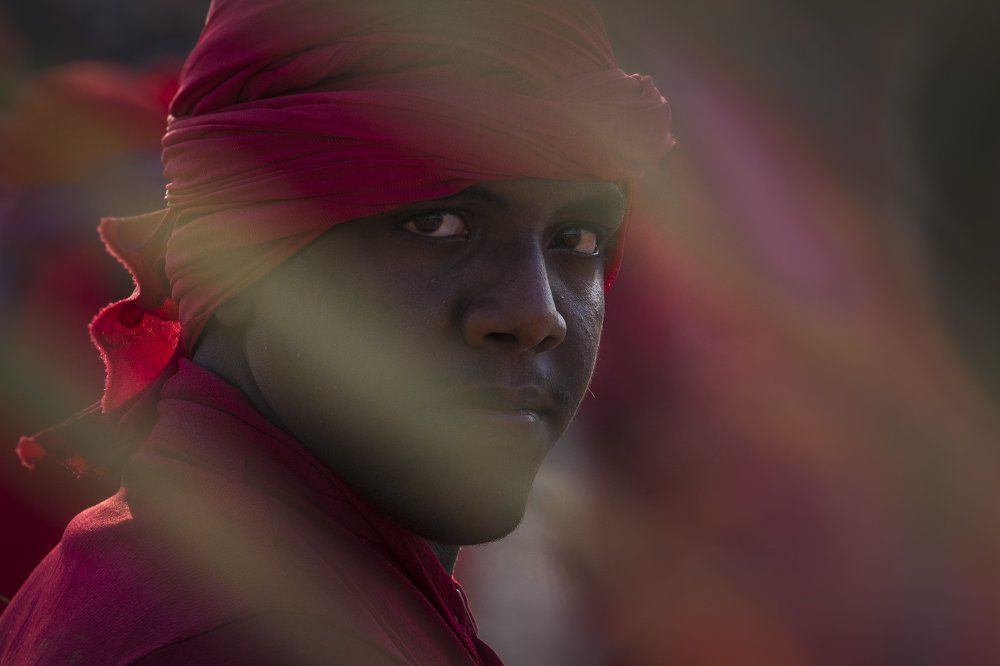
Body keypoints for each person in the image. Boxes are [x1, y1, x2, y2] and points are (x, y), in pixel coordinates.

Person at [0, 0, 672, 663]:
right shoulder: (249, 634)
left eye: (578, 238)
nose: (538, 315)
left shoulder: (256, 580)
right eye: (437, 224)